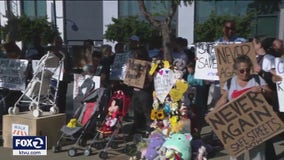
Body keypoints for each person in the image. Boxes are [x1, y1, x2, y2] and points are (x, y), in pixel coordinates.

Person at [214, 55, 272, 160]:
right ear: (235, 70)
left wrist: (263, 91)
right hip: (236, 125)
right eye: (241, 71)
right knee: (236, 156)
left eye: (248, 70)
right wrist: (213, 112)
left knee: (257, 155)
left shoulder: (257, 79)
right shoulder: (230, 82)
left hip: (256, 124)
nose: (245, 73)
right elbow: (224, 99)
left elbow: (271, 94)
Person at [49, 36, 73, 113]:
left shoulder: (65, 52)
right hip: (53, 78)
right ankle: (53, 110)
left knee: (62, 96)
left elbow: (70, 63)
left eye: (60, 42)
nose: (58, 44)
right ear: (53, 43)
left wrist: (67, 69)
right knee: (52, 96)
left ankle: (62, 112)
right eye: (57, 42)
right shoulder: (50, 52)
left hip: (63, 78)